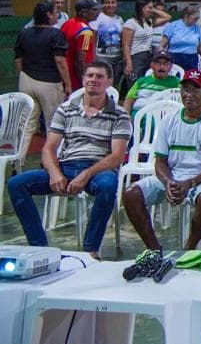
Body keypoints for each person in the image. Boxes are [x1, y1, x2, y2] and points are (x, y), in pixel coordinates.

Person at [5, 61, 130, 259]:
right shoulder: (66, 109)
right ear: (83, 80)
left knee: (108, 186)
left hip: (98, 169)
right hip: (67, 165)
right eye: (90, 76)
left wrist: (86, 174)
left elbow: (116, 157)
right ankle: (40, 248)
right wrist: (55, 173)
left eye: (99, 77)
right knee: (16, 184)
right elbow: (49, 148)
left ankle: (91, 249)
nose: (93, 80)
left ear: (109, 82)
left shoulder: (119, 114)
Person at [122, 69, 201, 251]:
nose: (189, 95)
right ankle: (154, 249)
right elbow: (160, 161)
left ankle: (188, 248)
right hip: (174, 176)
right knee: (131, 194)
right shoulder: (169, 120)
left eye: (195, 90)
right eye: (185, 89)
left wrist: (191, 182)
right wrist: (168, 182)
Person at [15, 1, 71, 154]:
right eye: (55, 12)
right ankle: (51, 161)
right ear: (48, 15)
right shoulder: (55, 34)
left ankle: (18, 159)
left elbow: (18, 59)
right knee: (53, 124)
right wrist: (68, 84)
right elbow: (60, 60)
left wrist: (24, 74)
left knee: (27, 124)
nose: (57, 15)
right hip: (49, 83)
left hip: (26, 80)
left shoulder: (24, 32)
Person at [122, 0, 169, 84]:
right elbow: (126, 45)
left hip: (147, 55)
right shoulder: (131, 23)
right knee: (135, 83)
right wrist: (129, 64)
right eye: (149, 8)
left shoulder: (149, 22)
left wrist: (153, 10)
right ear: (141, 8)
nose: (151, 10)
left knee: (146, 82)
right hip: (135, 56)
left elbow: (167, 17)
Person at [61, 0, 100, 89]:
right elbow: (80, 61)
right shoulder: (85, 32)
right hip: (75, 78)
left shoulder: (68, 23)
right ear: (84, 12)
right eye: (94, 10)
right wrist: (84, 81)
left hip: (64, 74)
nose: (97, 12)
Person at [90, 0, 125, 91]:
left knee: (115, 83)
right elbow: (93, 39)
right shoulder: (98, 18)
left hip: (118, 58)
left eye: (113, 2)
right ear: (102, 4)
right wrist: (93, 57)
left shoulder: (119, 19)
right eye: (107, 3)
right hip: (103, 57)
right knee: (104, 82)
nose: (110, 5)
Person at [160, 5, 201, 71]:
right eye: (195, 18)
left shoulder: (197, 28)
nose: (197, 20)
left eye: (198, 18)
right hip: (175, 57)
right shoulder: (173, 25)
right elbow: (162, 45)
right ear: (186, 16)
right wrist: (161, 59)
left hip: (191, 58)